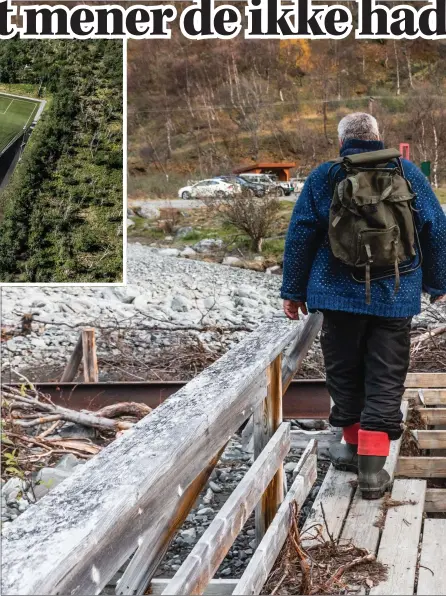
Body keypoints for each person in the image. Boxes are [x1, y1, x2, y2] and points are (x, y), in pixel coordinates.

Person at [281, 112, 446, 499]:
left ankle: (351, 449)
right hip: (396, 293)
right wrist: (439, 283)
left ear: (342, 142)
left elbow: (302, 232)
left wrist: (293, 291)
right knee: (386, 377)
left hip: (336, 294)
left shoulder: (326, 175)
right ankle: (372, 474)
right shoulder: (407, 172)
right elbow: (436, 227)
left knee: (344, 372)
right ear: (377, 136)